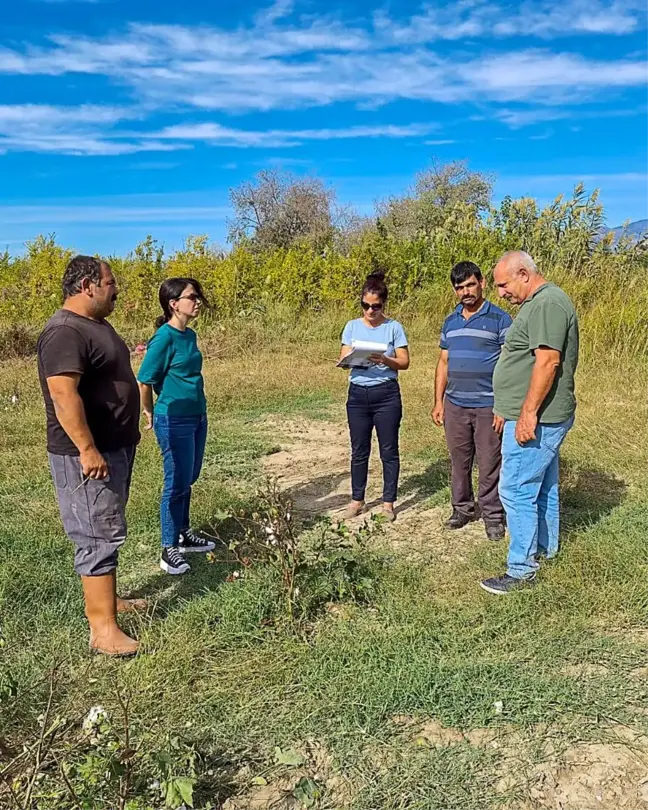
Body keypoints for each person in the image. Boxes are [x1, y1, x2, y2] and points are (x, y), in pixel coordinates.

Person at [37, 256, 142, 657]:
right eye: (110, 282)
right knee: (95, 534)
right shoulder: (64, 332)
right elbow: (63, 395)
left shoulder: (95, 324)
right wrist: (87, 448)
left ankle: (110, 602)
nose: (116, 289)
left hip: (114, 446)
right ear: (87, 286)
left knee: (108, 526)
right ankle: (103, 631)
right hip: (87, 454)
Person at [480, 251, 579, 595]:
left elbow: (548, 362)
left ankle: (521, 570)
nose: (501, 293)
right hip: (537, 414)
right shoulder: (539, 303)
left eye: (503, 284)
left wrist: (527, 413)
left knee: (515, 489)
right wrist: (508, 405)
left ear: (523, 273)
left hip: (542, 418)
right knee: (542, 485)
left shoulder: (548, 303)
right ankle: (545, 550)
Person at [137, 278, 215, 576]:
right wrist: (148, 410)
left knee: (189, 476)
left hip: (196, 415)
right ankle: (168, 547)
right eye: (191, 297)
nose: (197, 301)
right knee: (175, 481)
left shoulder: (189, 335)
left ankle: (183, 534)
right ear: (173, 304)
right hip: (172, 418)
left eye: (197, 296)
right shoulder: (163, 338)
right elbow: (144, 379)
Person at [433, 261, 512, 541]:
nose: (465, 291)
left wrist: (503, 405)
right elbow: (443, 363)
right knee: (459, 461)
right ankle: (463, 509)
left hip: (488, 404)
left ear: (481, 283)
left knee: (490, 461)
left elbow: (510, 364)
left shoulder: (501, 319)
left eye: (470, 284)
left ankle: (492, 515)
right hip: (455, 404)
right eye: (459, 287)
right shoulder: (450, 322)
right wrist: (439, 402)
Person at [339, 271, 410, 522]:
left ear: (383, 304)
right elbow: (344, 356)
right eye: (366, 306)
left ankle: (388, 502)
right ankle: (357, 499)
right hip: (358, 394)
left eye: (376, 306)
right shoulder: (351, 326)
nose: (370, 311)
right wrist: (348, 360)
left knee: (388, 449)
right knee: (359, 450)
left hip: (386, 394)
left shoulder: (394, 328)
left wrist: (386, 360)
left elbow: (404, 362)